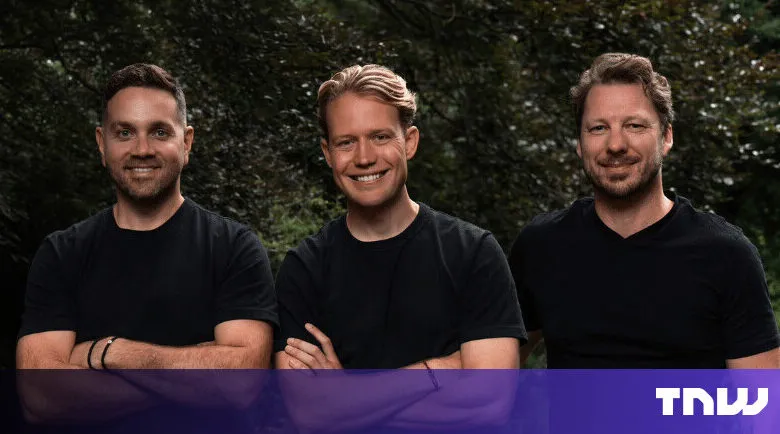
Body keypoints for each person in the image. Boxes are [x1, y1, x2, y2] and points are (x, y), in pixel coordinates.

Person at [15, 64, 278, 427]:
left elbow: (240, 387)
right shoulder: (63, 254)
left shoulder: (234, 248)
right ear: (101, 144)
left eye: (158, 132)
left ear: (185, 143)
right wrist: (190, 380)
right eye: (124, 132)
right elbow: (41, 396)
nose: (141, 149)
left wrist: (108, 353)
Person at [273, 64, 526, 432]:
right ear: (328, 153)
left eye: (379, 137)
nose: (363, 158)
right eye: (346, 142)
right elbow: (310, 416)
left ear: (409, 142)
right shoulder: (305, 269)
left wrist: (346, 398)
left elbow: (490, 404)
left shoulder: (474, 253)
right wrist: (435, 371)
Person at [510, 53, 780, 369]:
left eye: (634, 125)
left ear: (666, 137)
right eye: (598, 128)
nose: (615, 144)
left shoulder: (725, 254)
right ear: (580, 144)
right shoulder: (541, 247)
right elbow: (489, 375)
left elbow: (763, 408)